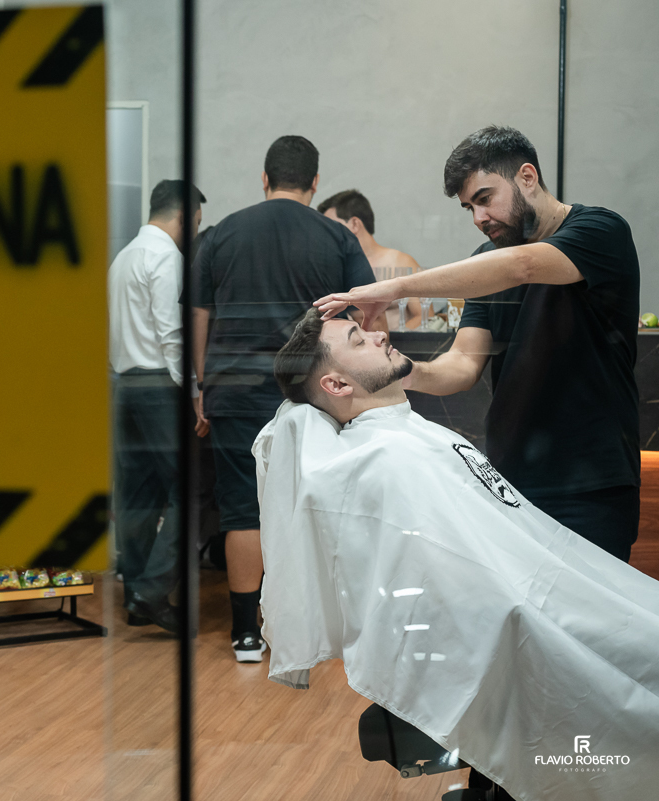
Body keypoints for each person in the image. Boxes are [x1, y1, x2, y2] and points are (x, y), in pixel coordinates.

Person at [258, 309, 659, 801]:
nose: (380, 333)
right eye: (358, 339)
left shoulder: (407, 437)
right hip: (532, 619)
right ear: (337, 384)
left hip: (556, 597)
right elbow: (469, 589)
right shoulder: (386, 460)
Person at [315, 125, 641, 561]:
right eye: (469, 207)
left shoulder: (601, 230)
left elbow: (522, 266)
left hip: (592, 479)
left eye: (485, 199)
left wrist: (394, 289)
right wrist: (395, 370)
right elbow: (463, 365)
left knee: (594, 624)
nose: (478, 219)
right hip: (511, 480)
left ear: (528, 177)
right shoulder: (484, 263)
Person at [185, 135, 379, 661]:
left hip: (234, 391)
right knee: (315, 504)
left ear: (264, 178)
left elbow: (198, 317)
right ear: (314, 183)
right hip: (311, 395)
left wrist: (204, 385)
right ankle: (317, 627)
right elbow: (364, 312)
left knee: (242, 510)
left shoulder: (220, 235)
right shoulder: (335, 236)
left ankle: (247, 633)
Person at [108, 179, 204, 632]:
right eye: (196, 223)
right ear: (183, 216)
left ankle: (134, 591)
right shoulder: (166, 256)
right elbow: (172, 334)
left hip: (123, 385)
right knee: (191, 488)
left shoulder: (123, 257)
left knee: (137, 495)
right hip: (158, 388)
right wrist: (193, 393)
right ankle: (152, 591)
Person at [316, 189, 427, 330]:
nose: (328, 234)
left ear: (355, 224)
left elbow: (425, 315)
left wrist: (385, 340)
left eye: (333, 226)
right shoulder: (335, 266)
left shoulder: (400, 262)